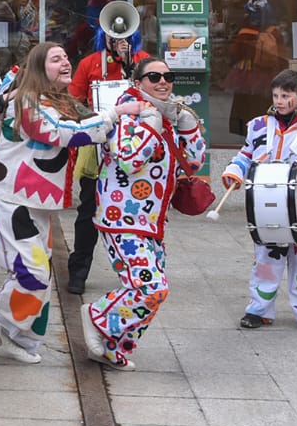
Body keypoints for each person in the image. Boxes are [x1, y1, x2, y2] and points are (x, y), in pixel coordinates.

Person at [0, 42, 138, 365]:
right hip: (10, 194)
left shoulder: (64, 101)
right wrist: (113, 115)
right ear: (40, 67)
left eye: (67, 57)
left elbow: (95, 121)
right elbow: (61, 133)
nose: (66, 62)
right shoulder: (26, 100)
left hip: (37, 200)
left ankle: (19, 338)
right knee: (32, 272)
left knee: (40, 274)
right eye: (56, 59)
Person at [80, 57, 206, 371]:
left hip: (152, 221)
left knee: (152, 290)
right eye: (153, 77)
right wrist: (150, 127)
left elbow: (194, 164)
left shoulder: (168, 113)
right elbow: (127, 159)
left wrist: (188, 127)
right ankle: (97, 316)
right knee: (152, 287)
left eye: (167, 76)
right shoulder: (129, 113)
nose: (162, 82)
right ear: (138, 82)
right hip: (121, 217)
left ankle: (113, 347)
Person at [221, 68, 297, 336]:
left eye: (285, 95)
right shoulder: (257, 126)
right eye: (276, 95)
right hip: (268, 208)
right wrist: (234, 172)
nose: (278, 101)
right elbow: (245, 154)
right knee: (266, 261)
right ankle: (259, 309)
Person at [66, 20, 150, 297]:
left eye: (125, 36)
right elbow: (72, 100)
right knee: (88, 209)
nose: (118, 40)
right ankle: (78, 270)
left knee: (136, 211)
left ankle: (139, 271)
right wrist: (91, 114)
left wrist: (130, 66)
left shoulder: (144, 62)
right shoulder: (90, 63)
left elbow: (155, 95)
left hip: (135, 143)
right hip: (98, 143)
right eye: (113, 36)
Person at [227, 0, 287, 134]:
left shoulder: (244, 32)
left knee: (246, 104)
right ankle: (268, 130)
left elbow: (234, 53)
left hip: (246, 74)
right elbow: (282, 54)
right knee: (266, 103)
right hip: (269, 74)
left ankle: (246, 130)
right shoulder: (275, 32)